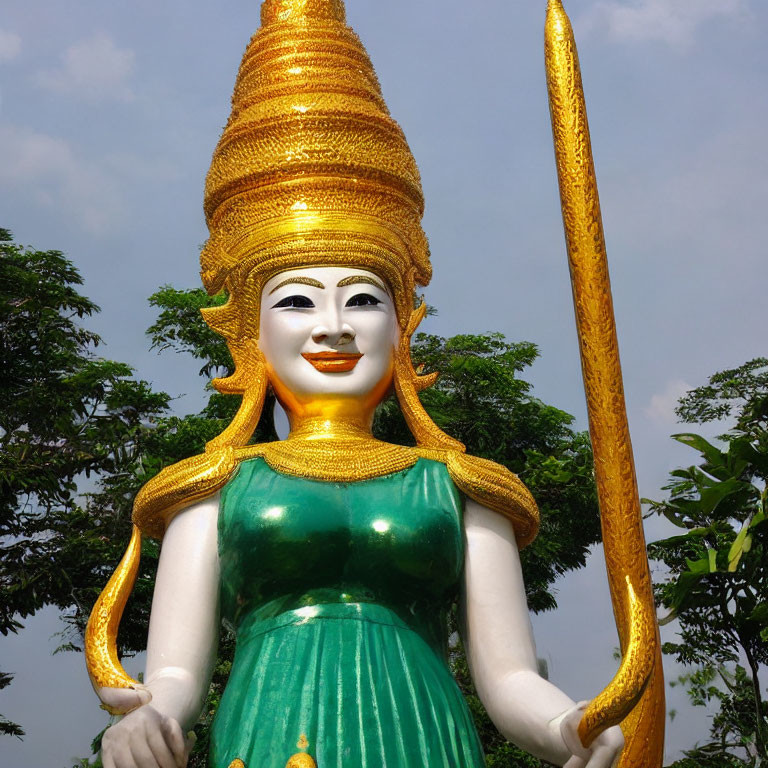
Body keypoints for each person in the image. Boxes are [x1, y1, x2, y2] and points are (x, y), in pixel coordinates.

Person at [86, 2, 625, 767]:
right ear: (250, 332)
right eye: (298, 300)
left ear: (403, 328)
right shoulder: (215, 491)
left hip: (425, 735)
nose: (334, 325)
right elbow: (176, 674)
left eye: (363, 299)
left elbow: (506, 678)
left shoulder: (459, 488)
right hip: (274, 734)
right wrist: (145, 718)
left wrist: (573, 724)